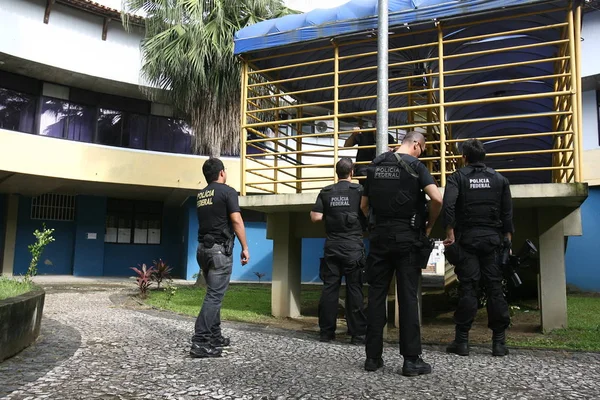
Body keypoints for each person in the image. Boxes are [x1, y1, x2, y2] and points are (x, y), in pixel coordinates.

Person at [360, 131, 442, 377]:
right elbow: (436, 198)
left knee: (376, 297)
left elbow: (364, 206)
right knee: (407, 298)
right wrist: (428, 225)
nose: (422, 152)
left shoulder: (375, 164)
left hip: (379, 239)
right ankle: (411, 360)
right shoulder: (416, 166)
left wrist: (377, 225)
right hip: (407, 238)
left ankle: (372, 358)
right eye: (423, 148)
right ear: (416, 144)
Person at [442, 139, 514, 357]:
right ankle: (499, 343)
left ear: (465, 157)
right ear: (483, 157)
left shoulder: (457, 177)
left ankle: (462, 341)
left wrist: (450, 233)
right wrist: (507, 241)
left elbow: (448, 205)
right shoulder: (499, 179)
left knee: (468, 288)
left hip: (467, 242)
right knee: (495, 289)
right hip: (493, 242)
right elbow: (507, 212)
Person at [190, 158, 250, 358]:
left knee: (213, 295)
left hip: (202, 250)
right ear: (222, 173)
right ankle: (200, 341)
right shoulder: (228, 192)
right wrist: (245, 247)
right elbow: (236, 219)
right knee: (214, 297)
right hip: (218, 252)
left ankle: (215, 337)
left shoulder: (201, 195)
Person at [310, 158, 368, 344]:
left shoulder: (326, 192)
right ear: (352, 172)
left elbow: (316, 217)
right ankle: (357, 334)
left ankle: (326, 332)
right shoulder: (359, 191)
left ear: (337, 172)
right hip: (353, 246)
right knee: (355, 289)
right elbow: (365, 209)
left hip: (332, 246)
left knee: (330, 289)